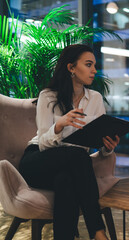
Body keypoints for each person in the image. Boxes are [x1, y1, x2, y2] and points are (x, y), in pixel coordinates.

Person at [18, 44, 120, 240]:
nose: (94, 71)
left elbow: (96, 139)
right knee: (77, 155)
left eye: (94, 65)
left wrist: (107, 147)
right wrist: (59, 126)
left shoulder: (95, 99)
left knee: (66, 180)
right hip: (37, 161)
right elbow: (42, 144)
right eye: (88, 64)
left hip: (72, 166)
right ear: (71, 68)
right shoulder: (48, 96)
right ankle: (98, 232)